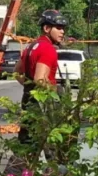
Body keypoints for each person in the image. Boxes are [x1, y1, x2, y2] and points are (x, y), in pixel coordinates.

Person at [15, 10, 66, 147]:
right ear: (46, 28)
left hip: (28, 100)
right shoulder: (48, 49)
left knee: (26, 146)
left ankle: (17, 168)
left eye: (63, 29)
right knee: (52, 149)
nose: (62, 32)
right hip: (43, 103)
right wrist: (56, 90)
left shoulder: (31, 47)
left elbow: (17, 72)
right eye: (59, 28)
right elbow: (40, 80)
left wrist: (28, 87)